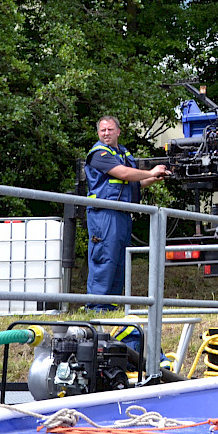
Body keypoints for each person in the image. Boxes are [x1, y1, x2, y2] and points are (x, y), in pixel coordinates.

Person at [85, 115, 167, 309]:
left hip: (122, 214)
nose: (106, 133)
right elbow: (123, 173)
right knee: (104, 259)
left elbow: (133, 183)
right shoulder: (99, 154)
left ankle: (111, 307)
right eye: (103, 130)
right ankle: (97, 308)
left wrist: (154, 178)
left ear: (118, 132)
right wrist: (150, 172)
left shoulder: (122, 153)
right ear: (98, 133)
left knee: (119, 262)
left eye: (110, 130)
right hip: (104, 215)